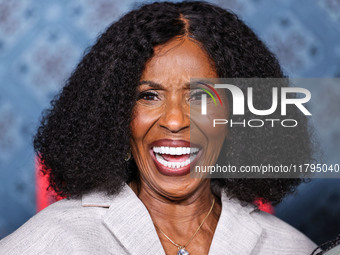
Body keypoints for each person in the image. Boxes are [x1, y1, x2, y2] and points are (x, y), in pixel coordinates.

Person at [0, 1, 317, 254]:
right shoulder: (55, 241)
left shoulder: (291, 248)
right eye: (149, 96)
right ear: (116, 117)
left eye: (200, 96)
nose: (176, 120)